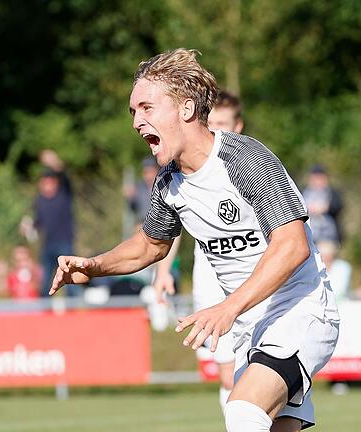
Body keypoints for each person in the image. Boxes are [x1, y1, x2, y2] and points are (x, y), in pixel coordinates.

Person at [50, 48, 339, 432]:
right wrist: (94, 265)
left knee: (242, 413)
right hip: (250, 326)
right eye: (133, 112)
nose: (137, 121)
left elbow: (292, 246)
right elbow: (150, 245)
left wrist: (227, 308)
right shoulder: (169, 181)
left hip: (299, 311)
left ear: (186, 109)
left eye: (147, 108)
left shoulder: (244, 159)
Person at [153, 90, 244, 412]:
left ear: (239, 125)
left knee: (263, 375)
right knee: (229, 372)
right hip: (210, 275)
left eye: (224, 123)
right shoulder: (187, 170)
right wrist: (163, 270)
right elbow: (174, 221)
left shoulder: (251, 166)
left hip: (253, 277)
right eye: (212, 123)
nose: (217, 130)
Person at [26, 149, 76, 296]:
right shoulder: (40, 200)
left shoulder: (64, 194)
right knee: (45, 280)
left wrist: (54, 162)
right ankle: (44, 310)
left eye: (50, 182)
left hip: (64, 242)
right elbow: (39, 221)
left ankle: (73, 308)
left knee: (70, 279)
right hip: (47, 244)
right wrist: (30, 226)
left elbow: (64, 175)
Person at [302, 164, 344, 244]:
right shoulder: (303, 191)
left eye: (320, 178)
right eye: (315, 178)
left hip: (328, 236)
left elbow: (338, 206)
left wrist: (325, 208)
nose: (318, 181)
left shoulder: (332, 192)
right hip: (308, 235)